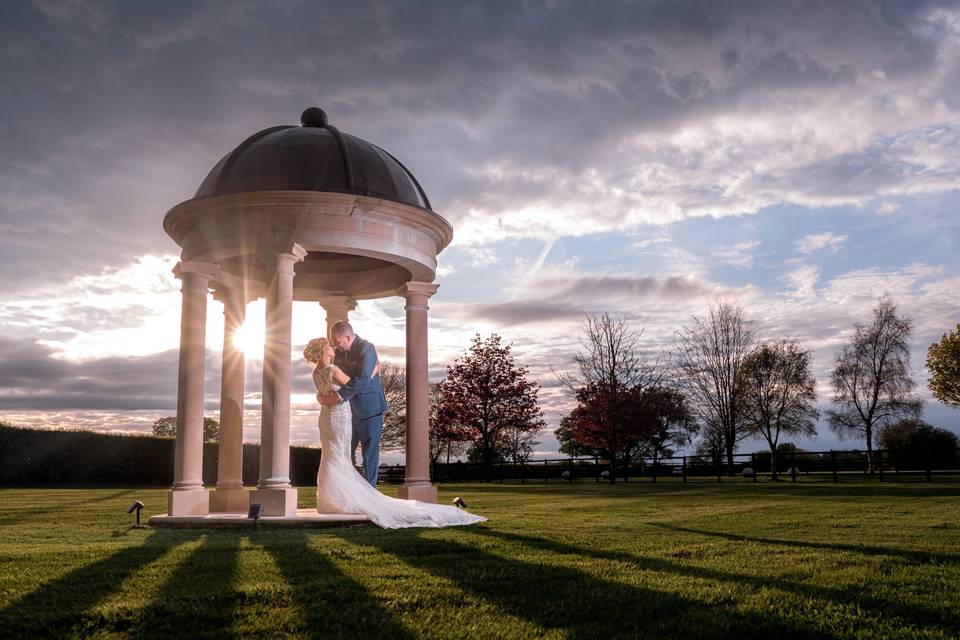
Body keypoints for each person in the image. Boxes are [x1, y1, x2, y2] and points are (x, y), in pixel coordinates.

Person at [305, 337, 486, 528]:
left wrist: (323, 399)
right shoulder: (332, 370)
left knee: (331, 455)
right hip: (339, 416)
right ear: (324, 351)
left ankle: (330, 499)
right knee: (339, 456)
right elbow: (355, 386)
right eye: (329, 346)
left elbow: (323, 394)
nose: (332, 348)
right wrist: (373, 372)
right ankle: (345, 499)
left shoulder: (316, 372)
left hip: (325, 417)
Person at [317, 321, 386, 486]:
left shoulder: (367, 349)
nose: (335, 347)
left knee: (369, 455)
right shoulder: (338, 352)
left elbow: (360, 379)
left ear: (348, 338)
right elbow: (339, 376)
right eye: (333, 344)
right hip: (347, 411)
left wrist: (340, 395)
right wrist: (369, 376)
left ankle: (370, 493)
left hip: (370, 409)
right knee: (346, 453)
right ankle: (352, 490)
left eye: (338, 343)